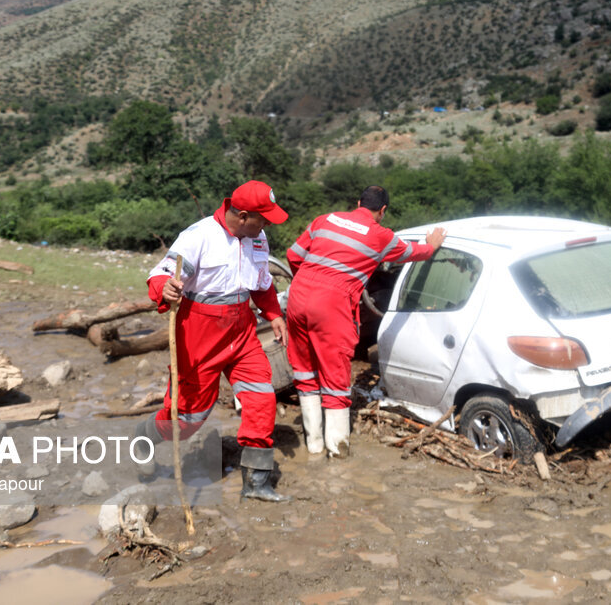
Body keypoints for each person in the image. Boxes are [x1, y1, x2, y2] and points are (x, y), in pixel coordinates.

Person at [136, 180, 291, 502]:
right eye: (263, 218)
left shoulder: (256, 237)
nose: (266, 226)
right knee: (189, 418)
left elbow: (261, 283)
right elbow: (159, 273)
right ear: (244, 215)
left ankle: (256, 483)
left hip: (242, 330)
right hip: (198, 333)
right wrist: (164, 288)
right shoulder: (198, 236)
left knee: (262, 399)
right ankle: (146, 437)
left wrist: (273, 313)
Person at [286, 185, 446, 457]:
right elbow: (414, 253)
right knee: (335, 377)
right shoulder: (381, 236)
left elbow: (293, 256)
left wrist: (310, 283)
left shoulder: (324, 220)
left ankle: (312, 447)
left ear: (357, 202)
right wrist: (432, 246)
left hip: (298, 297)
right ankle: (337, 454)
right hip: (331, 305)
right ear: (382, 211)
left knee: (304, 371)